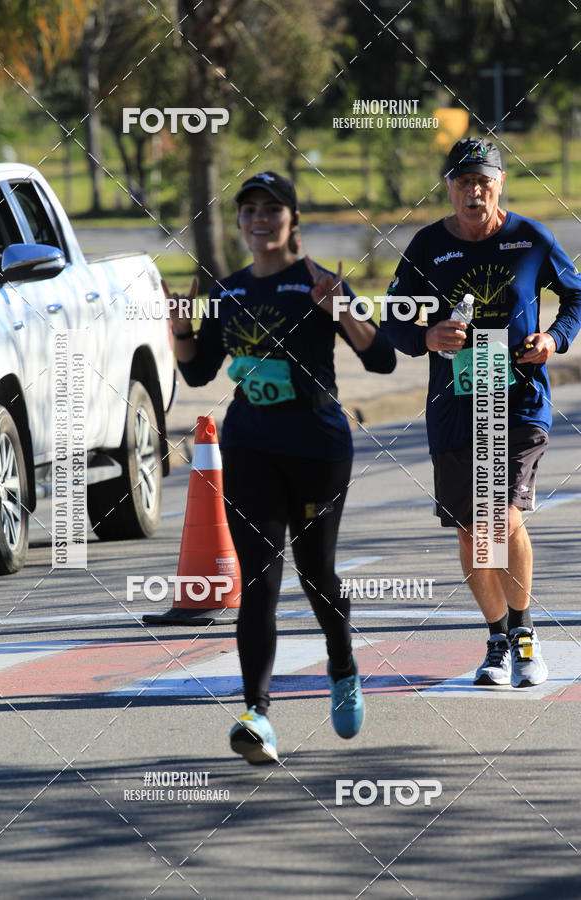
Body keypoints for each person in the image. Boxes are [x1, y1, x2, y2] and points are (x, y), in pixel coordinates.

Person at [168, 170, 396, 763]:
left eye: (272, 209)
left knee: (316, 573)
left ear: (292, 219)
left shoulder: (316, 281)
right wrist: (179, 330)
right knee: (258, 583)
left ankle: (342, 666)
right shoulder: (232, 289)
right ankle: (257, 715)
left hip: (318, 447)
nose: (260, 220)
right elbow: (196, 373)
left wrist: (341, 309)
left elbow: (383, 360)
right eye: (249, 211)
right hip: (249, 449)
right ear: (239, 222)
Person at [383, 137, 581, 688]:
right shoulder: (427, 246)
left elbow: (577, 295)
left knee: (503, 516)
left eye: (484, 180)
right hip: (453, 405)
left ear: (500, 184)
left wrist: (555, 339)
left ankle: (524, 634)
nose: (475, 191)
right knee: (472, 529)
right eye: (464, 181)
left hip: (517, 398)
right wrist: (428, 335)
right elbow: (394, 322)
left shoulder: (529, 238)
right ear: (448, 187)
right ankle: (496, 638)